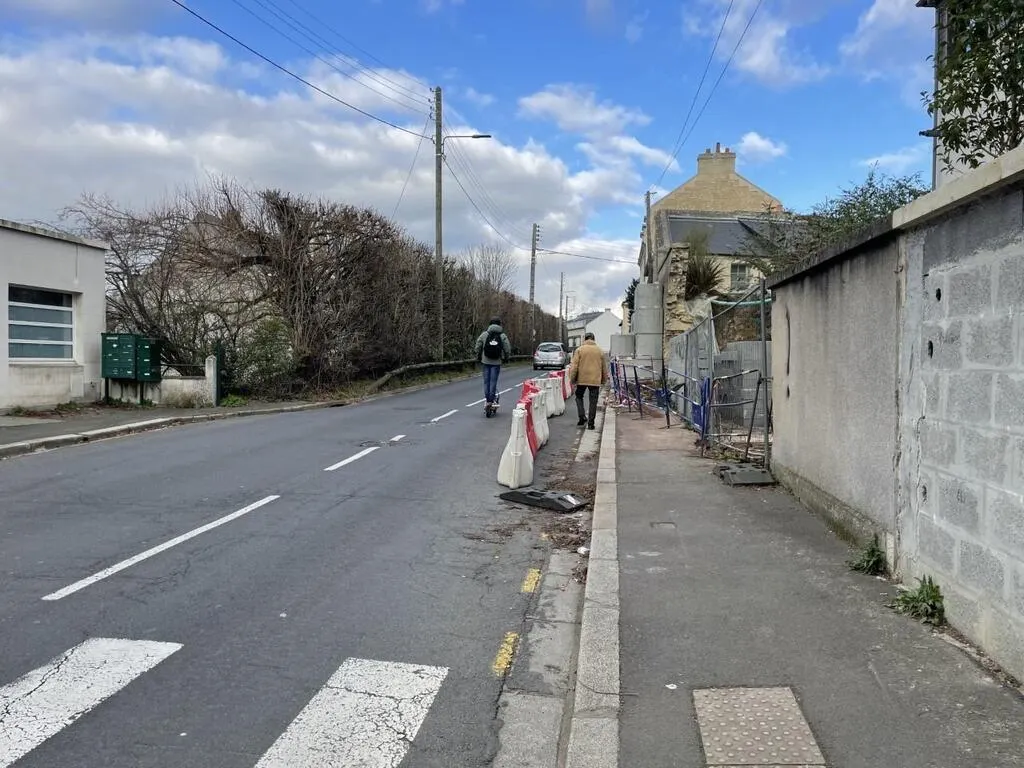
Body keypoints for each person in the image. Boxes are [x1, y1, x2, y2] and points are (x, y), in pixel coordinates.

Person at [568, 332, 607, 429]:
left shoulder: (579, 350)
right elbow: (604, 368)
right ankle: (591, 423)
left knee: (579, 396)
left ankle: (582, 416)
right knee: (593, 401)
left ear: (584, 339)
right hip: (595, 380)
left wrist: (572, 379)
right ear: (594, 339)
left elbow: (574, 366)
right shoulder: (600, 351)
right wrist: (603, 380)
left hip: (582, 379)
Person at [475, 317, 511, 407]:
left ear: (490, 325)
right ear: (499, 325)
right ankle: (492, 400)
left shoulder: (485, 334)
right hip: (496, 362)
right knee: (493, 381)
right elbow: (507, 348)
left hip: (485, 361)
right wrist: (506, 357)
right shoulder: (502, 335)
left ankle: (487, 400)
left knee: (486, 382)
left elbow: (478, 345)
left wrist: (478, 356)